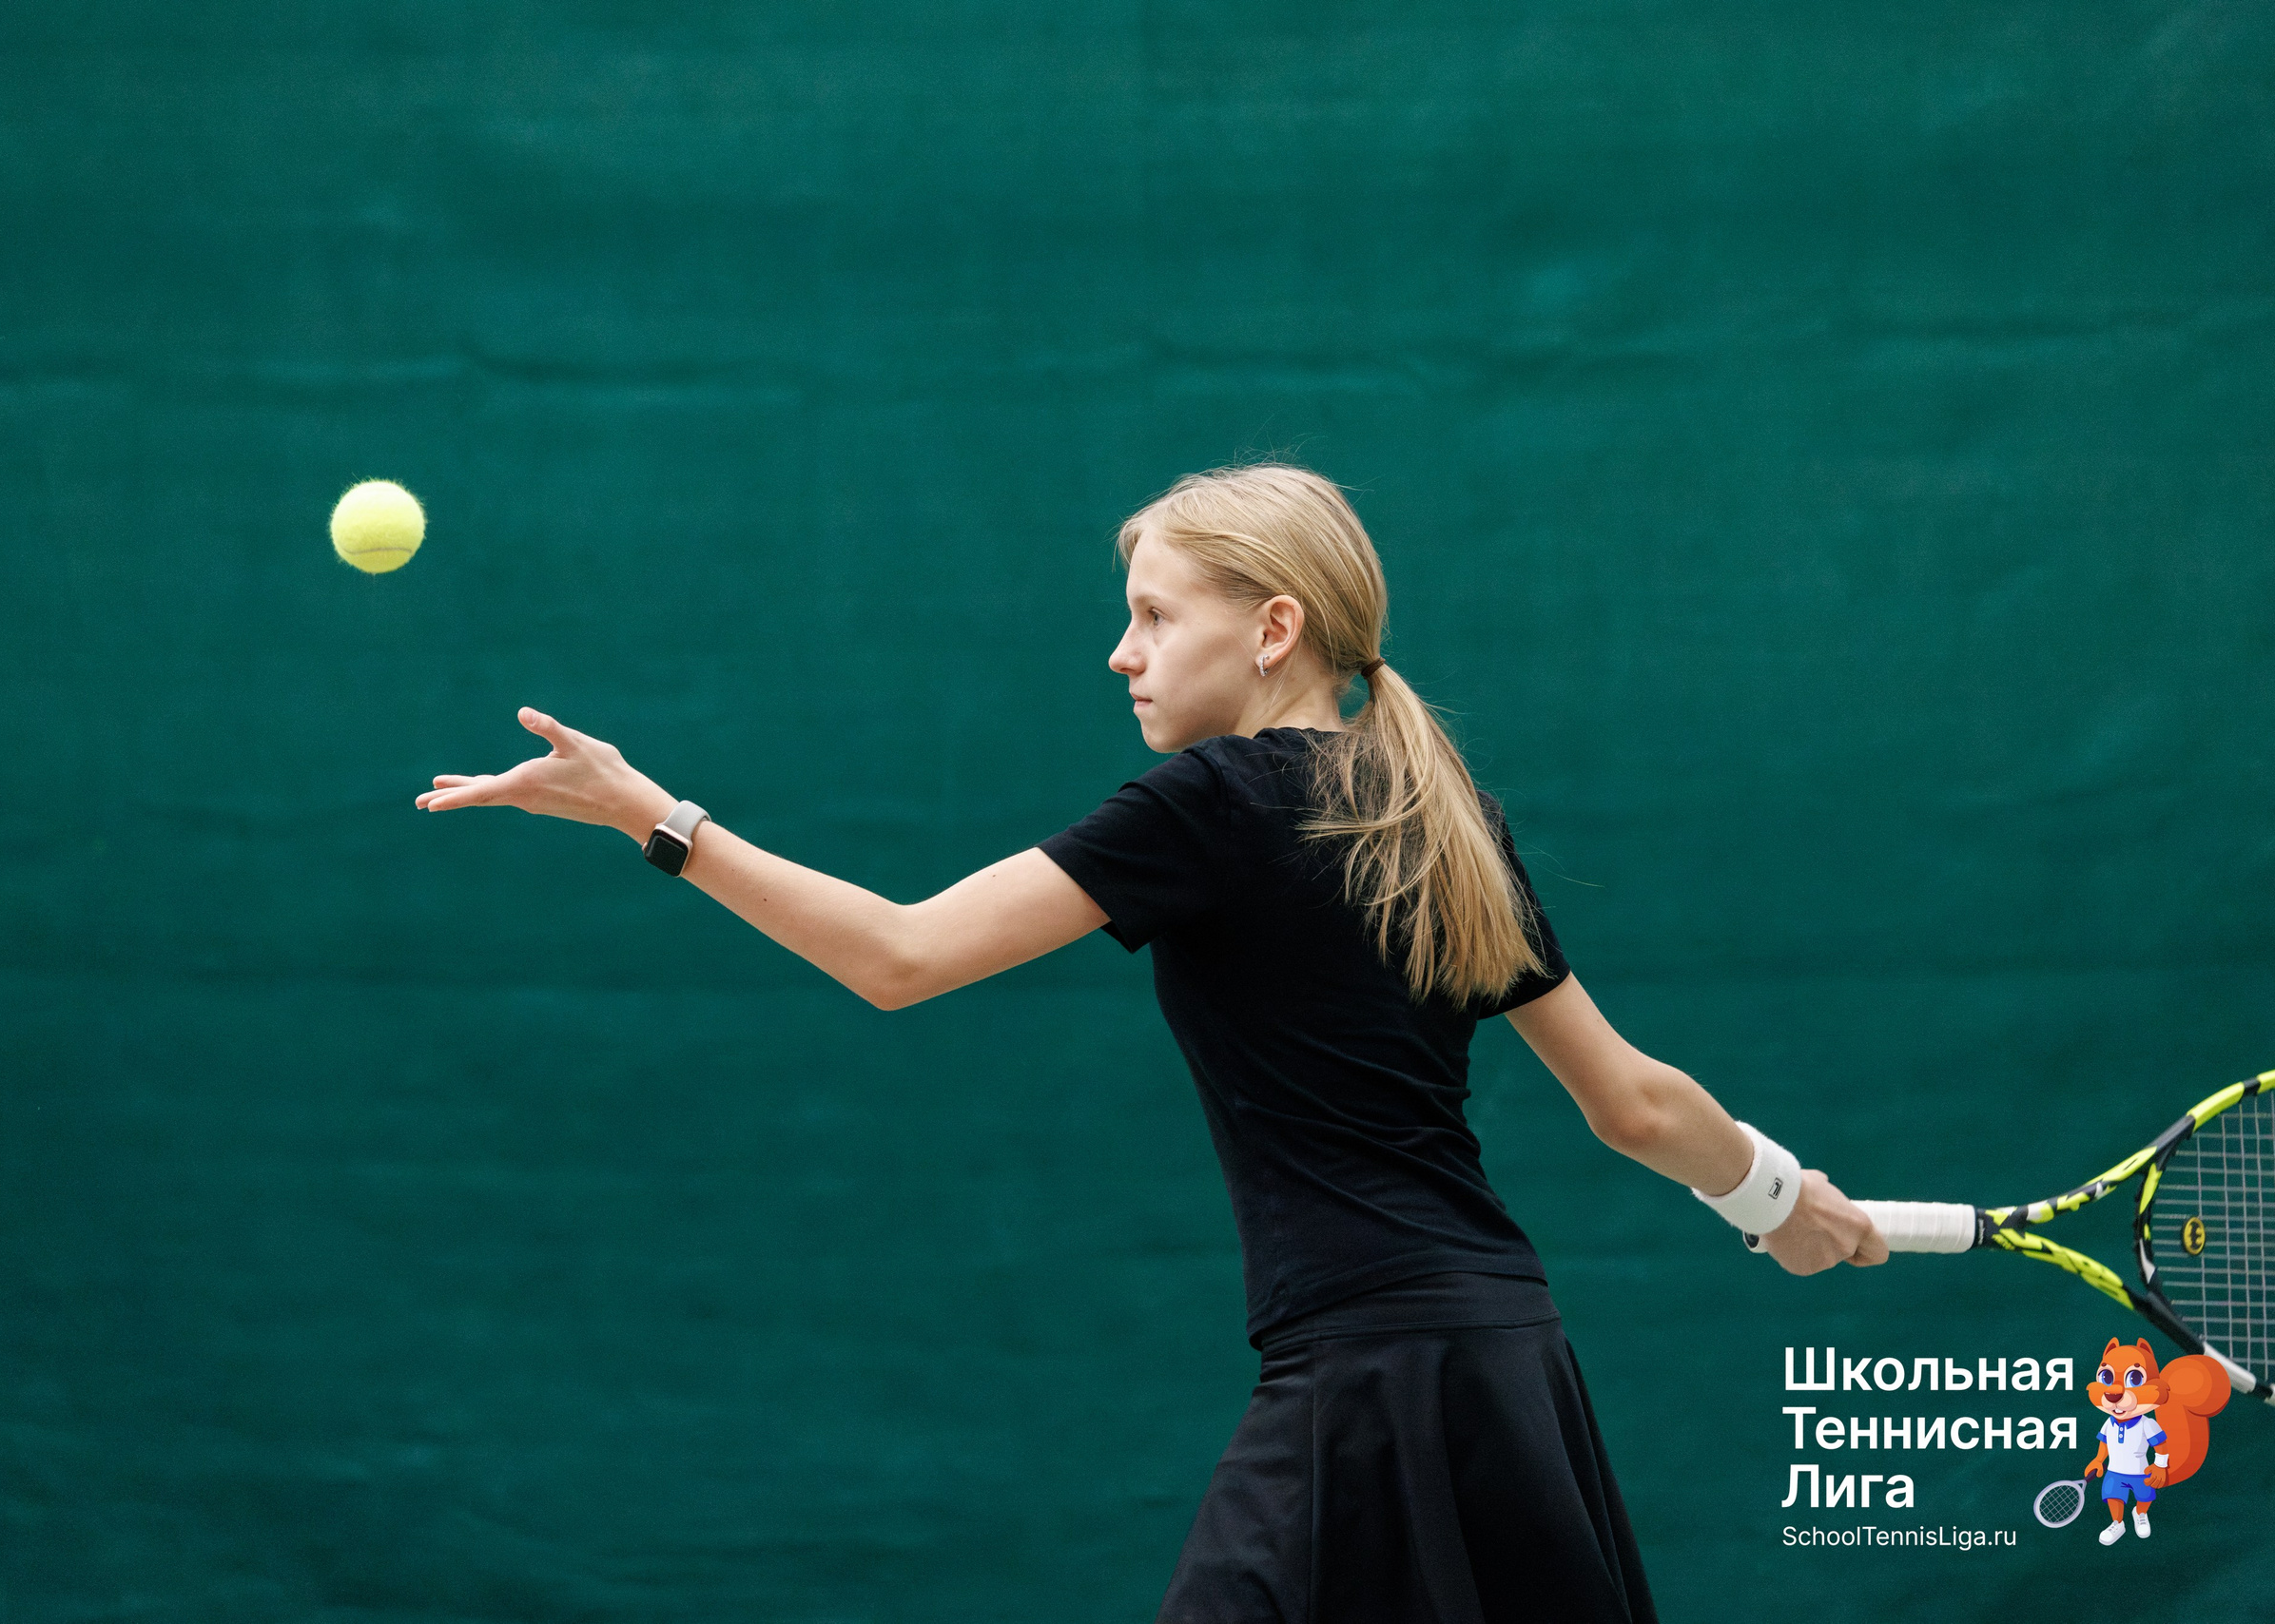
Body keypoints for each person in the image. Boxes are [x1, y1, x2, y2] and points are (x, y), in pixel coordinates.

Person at [415, 463, 1888, 1622]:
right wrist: (1776, 1197)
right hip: (1503, 1362)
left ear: (1272, 628)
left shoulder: (1218, 804)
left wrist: (652, 817)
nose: (1120, 654)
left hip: (1371, 1377)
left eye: (1153, 616)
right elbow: (1630, 1103)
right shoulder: (1442, 816)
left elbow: (899, 957)